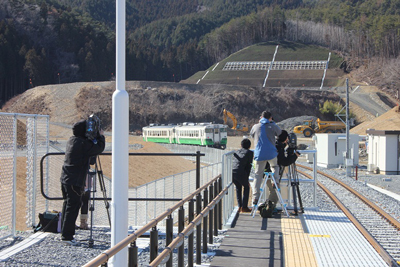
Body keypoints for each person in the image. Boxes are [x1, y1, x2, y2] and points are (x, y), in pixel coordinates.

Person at [60, 117, 105, 246]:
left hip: (66, 178)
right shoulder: (82, 144)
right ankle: (67, 236)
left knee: (68, 204)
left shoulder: (72, 140)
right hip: (74, 180)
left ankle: (64, 232)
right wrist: (101, 137)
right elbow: (99, 148)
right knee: (73, 206)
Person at [263, 130, 300, 217]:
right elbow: (284, 162)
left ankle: (271, 207)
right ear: (285, 138)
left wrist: (284, 145)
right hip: (271, 173)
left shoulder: (274, 144)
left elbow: (279, 149)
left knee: (274, 191)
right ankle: (268, 209)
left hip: (266, 171)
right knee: (275, 192)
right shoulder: (279, 148)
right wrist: (295, 156)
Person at [250, 111, 281, 205]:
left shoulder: (255, 126)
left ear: (261, 117)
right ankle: (275, 182)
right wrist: (272, 123)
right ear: (270, 118)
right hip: (271, 153)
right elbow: (279, 133)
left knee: (258, 175)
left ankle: (255, 197)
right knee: (274, 167)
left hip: (259, 154)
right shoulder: (273, 125)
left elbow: (252, 135)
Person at [232, 138, 254, 213]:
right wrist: (246, 178)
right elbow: (249, 166)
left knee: (238, 187)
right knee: (246, 187)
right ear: (249, 146)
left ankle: (239, 206)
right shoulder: (250, 153)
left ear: (241, 145)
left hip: (232, 172)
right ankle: (244, 207)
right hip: (240, 172)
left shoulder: (237, 151)